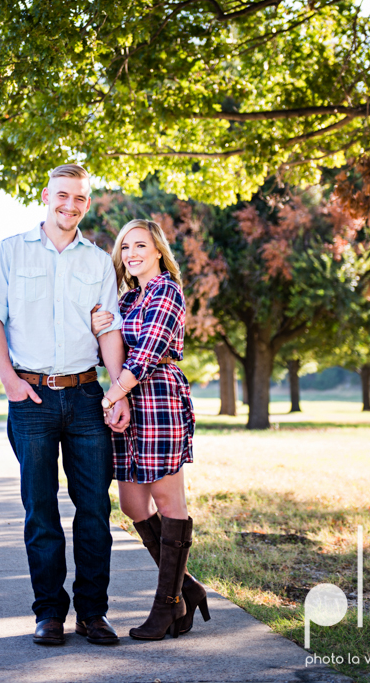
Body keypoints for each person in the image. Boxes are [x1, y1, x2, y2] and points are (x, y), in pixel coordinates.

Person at [0, 164, 130, 647]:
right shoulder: (9, 250)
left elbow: (108, 330)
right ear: (46, 195)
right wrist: (10, 382)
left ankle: (93, 612)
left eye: (80, 199)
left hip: (87, 396)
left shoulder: (100, 262)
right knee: (40, 510)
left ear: (88, 202)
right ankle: (49, 613)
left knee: (93, 510)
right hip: (32, 397)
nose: (70, 205)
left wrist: (115, 392)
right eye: (62, 195)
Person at [91, 219, 210, 641]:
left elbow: (144, 355)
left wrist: (111, 396)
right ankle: (188, 589)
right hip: (129, 403)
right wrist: (100, 325)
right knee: (132, 504)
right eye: (125, 247)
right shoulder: (126, 299)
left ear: (158, 249)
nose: (131, 253)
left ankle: (167, 607)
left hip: (158, 396)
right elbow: (111, 347)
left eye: (140, 245)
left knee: (167, 499)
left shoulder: (167, 291)